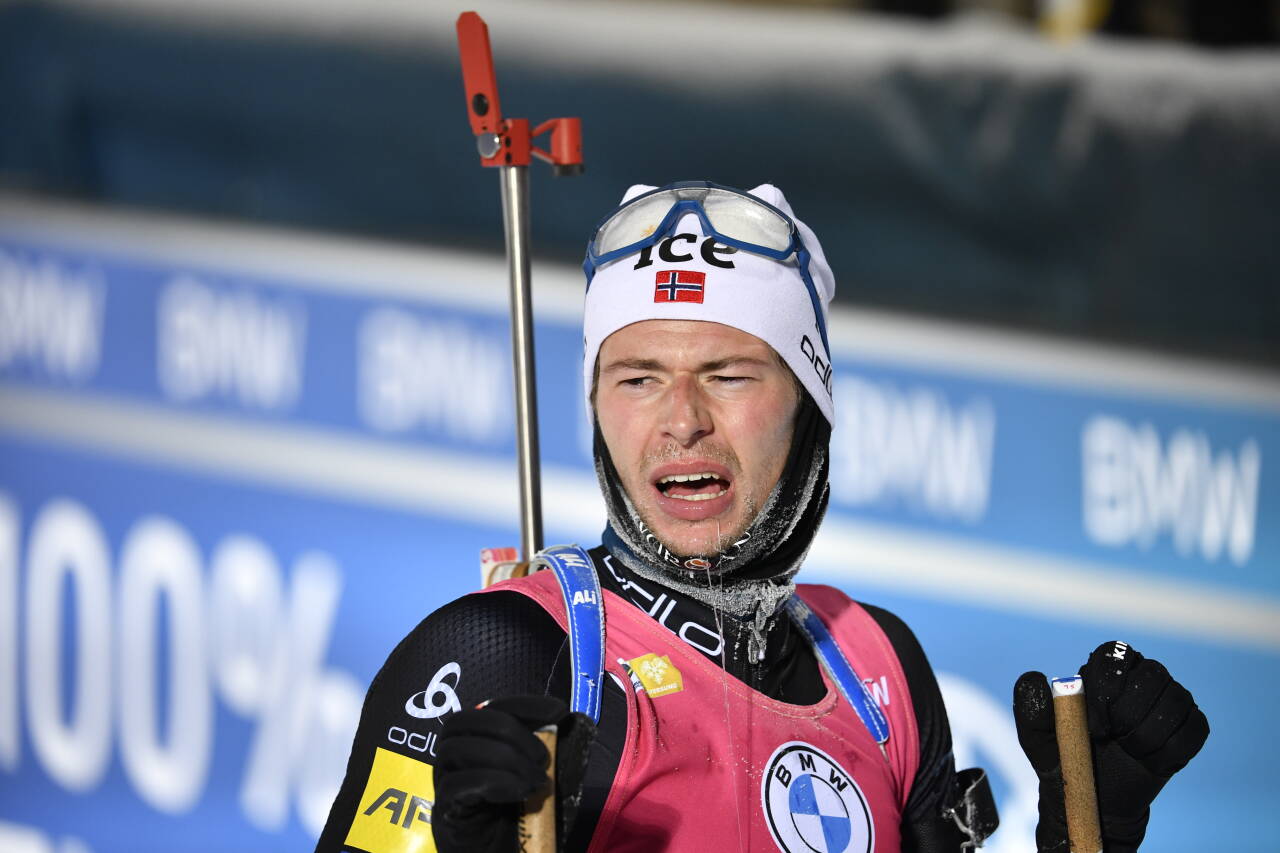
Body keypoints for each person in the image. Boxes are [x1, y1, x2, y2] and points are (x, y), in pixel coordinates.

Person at [316, 181, 1208, 853]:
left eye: (731, 373)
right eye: (637, 378)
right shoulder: (504, 650)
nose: (681, 419)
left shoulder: (875, 664)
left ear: (809, 406)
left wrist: (1092, 826)